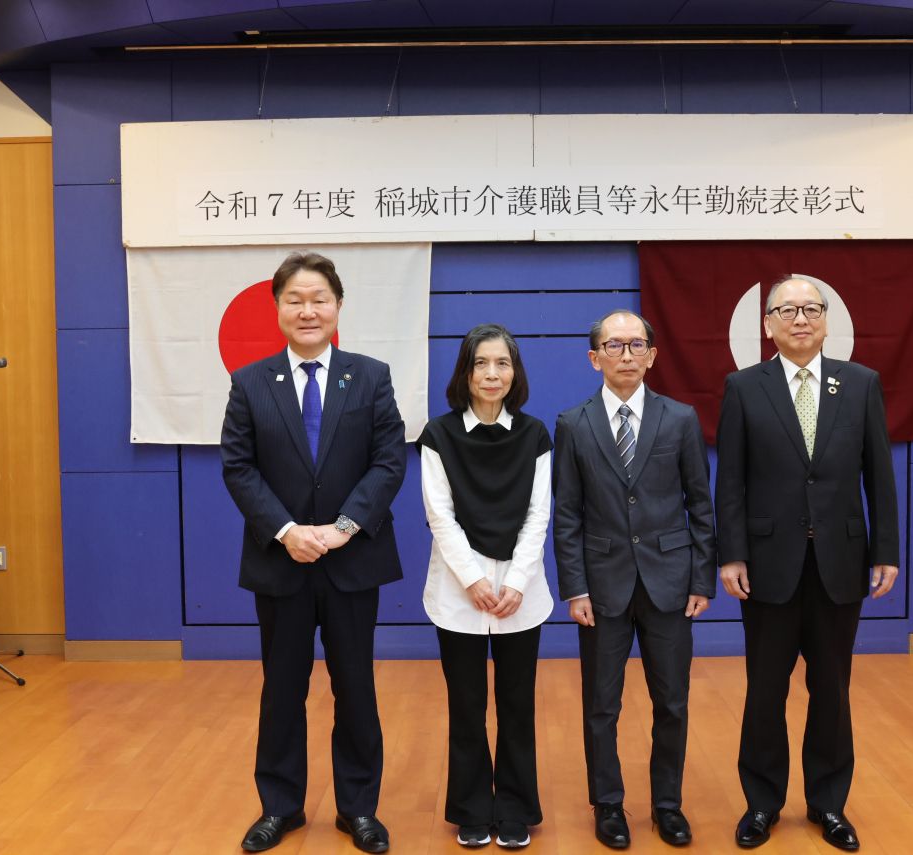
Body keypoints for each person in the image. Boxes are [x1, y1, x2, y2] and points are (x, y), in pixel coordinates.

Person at [221, 251, 406, 854]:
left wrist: (343, 527)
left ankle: (358, 809)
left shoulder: (370, 375)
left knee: (355, 686)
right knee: (282, 688)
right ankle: (280, 806)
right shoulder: (250, 382)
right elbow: (239, 468)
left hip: (352, 560)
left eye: (318, 299)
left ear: (338, 306)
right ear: (277, 309)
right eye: (295, 300)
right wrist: (287, 531)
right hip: (282, 561)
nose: (308, 310)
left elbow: (388, 461)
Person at [715, 276, 899, 852]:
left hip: (840, 562)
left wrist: (886, 551)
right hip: (768, 564)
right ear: (768, 323)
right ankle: (761, 804)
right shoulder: (744, 387)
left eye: (811, 309)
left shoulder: (861, 383)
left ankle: (828, 803)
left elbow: (880, 477)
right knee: (764, 691)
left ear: (827, 320)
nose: (800, 319)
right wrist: (731, 554)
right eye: (787, 310)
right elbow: (733, 483)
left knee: (832, 690)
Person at [553, 310, 716, 850]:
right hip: (602, 587)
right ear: (594, 357)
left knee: (672, 702)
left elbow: (700, 503)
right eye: (614, 346)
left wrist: (702, 578)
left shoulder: (680, 419)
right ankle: (609, 805)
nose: (626, 355)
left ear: (653, 355)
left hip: (670, 582)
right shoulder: (573, 424)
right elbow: (568, 513)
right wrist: (574, 587)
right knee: (602, 704)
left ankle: (667, 805)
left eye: (636, 345)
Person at [417, 323, 554, 850]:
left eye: (502, 363)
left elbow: (539, 514)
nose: (492, 373)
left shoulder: (536, 434)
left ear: (514, 372)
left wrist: (515, 580)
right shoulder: (439, 434)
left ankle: (516, 806)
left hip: (522, 592)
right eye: (481, 364)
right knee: (466, 705)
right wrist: (475, 580)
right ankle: (472, 807)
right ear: (466, 373)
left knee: (518, 704)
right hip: (459, 591)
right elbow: (440, 516)